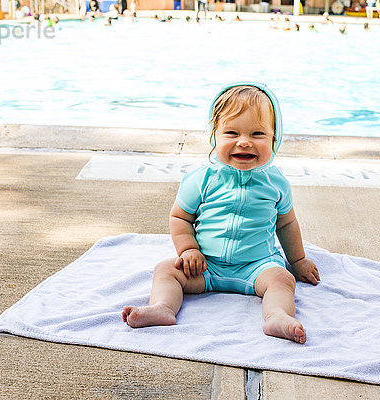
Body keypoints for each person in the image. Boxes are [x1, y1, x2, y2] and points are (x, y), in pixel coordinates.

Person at [122, 83, 320, 344]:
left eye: (258, 133)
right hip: (205, 266)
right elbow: (181, 217)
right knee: (166, 269)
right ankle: (163, 308)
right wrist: (189, 250)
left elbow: (286, 223)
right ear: (215, 136)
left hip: (257, 266)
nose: (244, 141)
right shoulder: (201, 179)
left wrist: (298, 261)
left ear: (274, 138)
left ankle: (277, 316)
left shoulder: (276, 182)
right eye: (232, 132)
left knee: (282, 279)